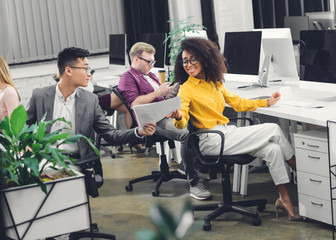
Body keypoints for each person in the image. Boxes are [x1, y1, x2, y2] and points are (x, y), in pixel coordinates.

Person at [169, 37, 302, 220]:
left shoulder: (215, 82)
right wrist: (178, 117)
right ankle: (303, 178)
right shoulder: (186, 89)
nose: (188, 64)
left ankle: (284, 199)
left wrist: (266, 101)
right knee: (273, 129)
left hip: (227, 133)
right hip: (212, 140)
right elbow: (183, 120)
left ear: (204, 58)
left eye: (192, 59)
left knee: (273, 149)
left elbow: (237, 103)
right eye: (185, 61)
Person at [26, 47, 156, 175]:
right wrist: (26, 146)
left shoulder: (90, 100)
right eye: (85, 68)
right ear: (68, 71)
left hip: (76, 162)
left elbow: (111, 135)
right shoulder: (40, 96)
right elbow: (23, 128)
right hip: (44, 160)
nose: (89, 74)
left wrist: (138, 132)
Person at [118, 42, 211, 200]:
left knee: (200, 120)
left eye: (153, 61)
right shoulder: (127, 78)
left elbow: (161, 97)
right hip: (151, 119)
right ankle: (194, 183)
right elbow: (134, 104)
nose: (152, 65)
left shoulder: (149, 74)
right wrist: (158, 92)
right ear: (135, 60)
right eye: (149, 62)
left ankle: (187, 166)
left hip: (164, 111)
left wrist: (173, 90)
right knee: (186, 134)